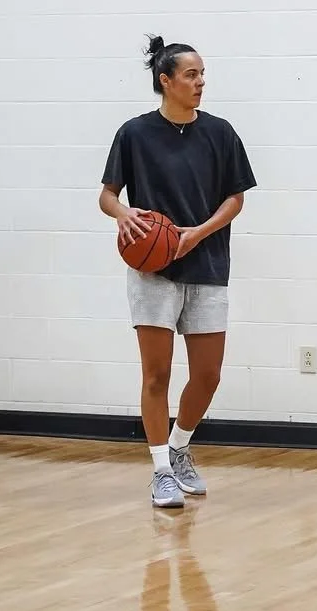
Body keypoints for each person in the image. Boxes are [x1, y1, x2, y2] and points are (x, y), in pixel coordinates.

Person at [99, 37, 257, 509]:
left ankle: (180, 445)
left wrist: (198, 232)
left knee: (208, 374)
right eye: (191, 75)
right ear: (165, 81)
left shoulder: (221, 132)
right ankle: (160, 471)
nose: (201, 82)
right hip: (153, 272)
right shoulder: (134, 133)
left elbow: (236, 199)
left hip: (206, 263)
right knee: (157, 374)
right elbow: (107, 195)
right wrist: (123, 214)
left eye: (203, 74)